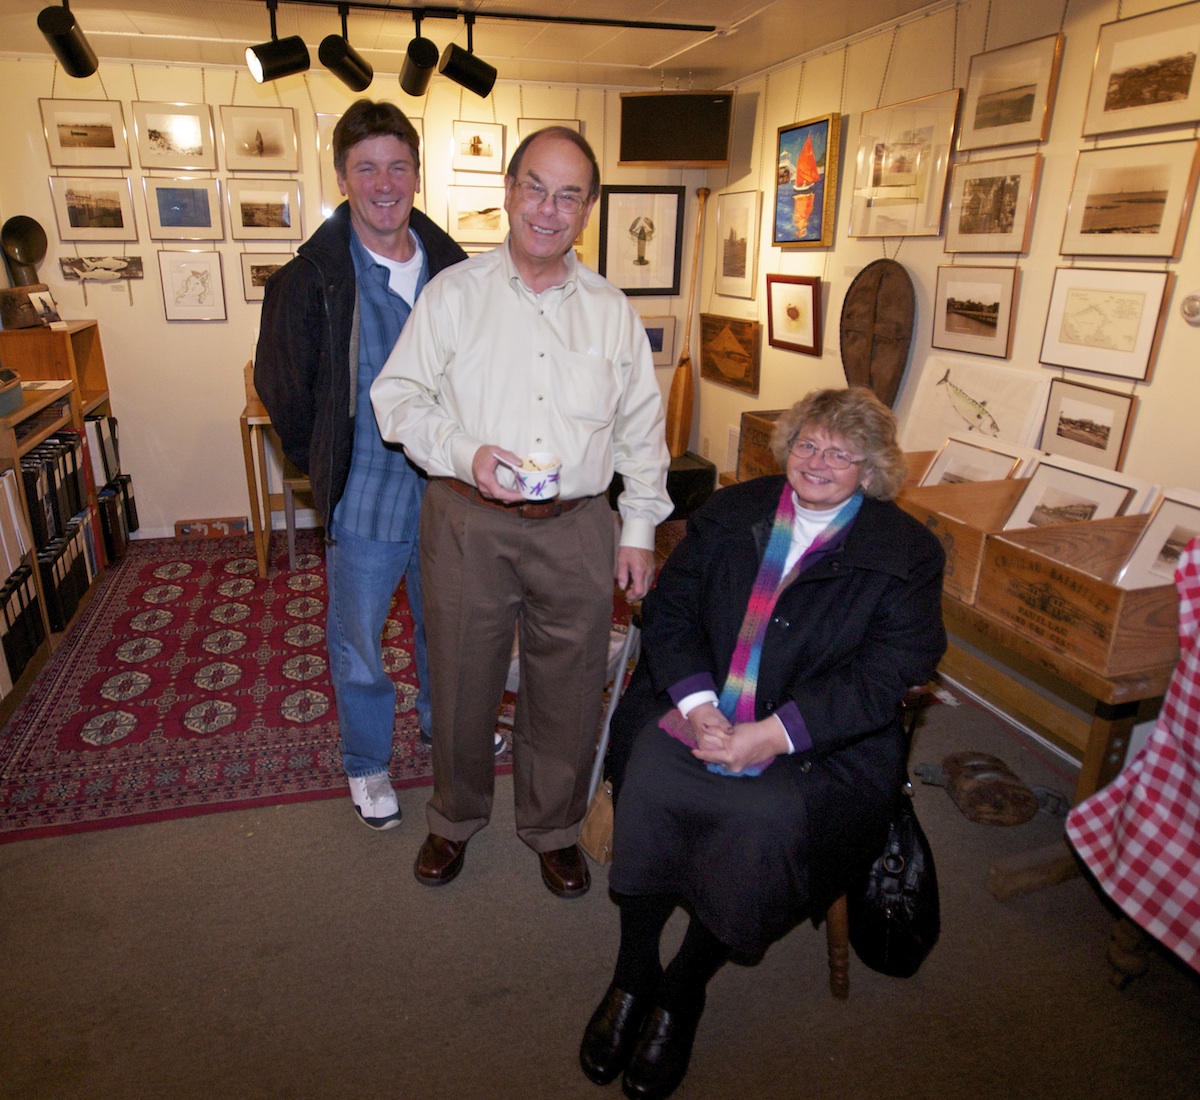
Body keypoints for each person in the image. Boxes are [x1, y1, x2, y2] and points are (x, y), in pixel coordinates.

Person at [579, 387, 947, 1100]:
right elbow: (672, 609)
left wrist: (774, 736)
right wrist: (694, 704)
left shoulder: (906, 552)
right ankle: (633, 973)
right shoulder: (731, 510)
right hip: (699, 702)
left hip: (818, 740)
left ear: (872, 469)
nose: (818, 461)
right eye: (808, 444)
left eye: (841, 453)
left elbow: (888, 674)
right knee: (650, 776)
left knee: (761, 821)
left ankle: (683, 989)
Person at [370, 126, 672, 898]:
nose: (548, 208)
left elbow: (641, 430)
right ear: (508, 193)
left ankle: (553, 829)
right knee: (462, 679)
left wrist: (639, 528)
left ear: (588, 210)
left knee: (568, 686)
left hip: (578, 527)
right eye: (535, 187)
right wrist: (464, 451)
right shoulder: (453, 295)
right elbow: (396, 398)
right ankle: (454, 817)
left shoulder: (611, 312)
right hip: (467, 520)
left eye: (569, 195)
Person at [254, 99, 466, 832]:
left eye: (398, 166)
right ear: (343, 179)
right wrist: (328, 468)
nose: (384, 183)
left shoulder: (456, 272)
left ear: (417, 175)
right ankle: (367, 761)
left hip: (450, 496)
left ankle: (443, 728)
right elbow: (282, 389)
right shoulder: (310, 278)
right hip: (366, 496)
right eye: (366, 167)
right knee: (359, 642)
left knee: (447, 629)